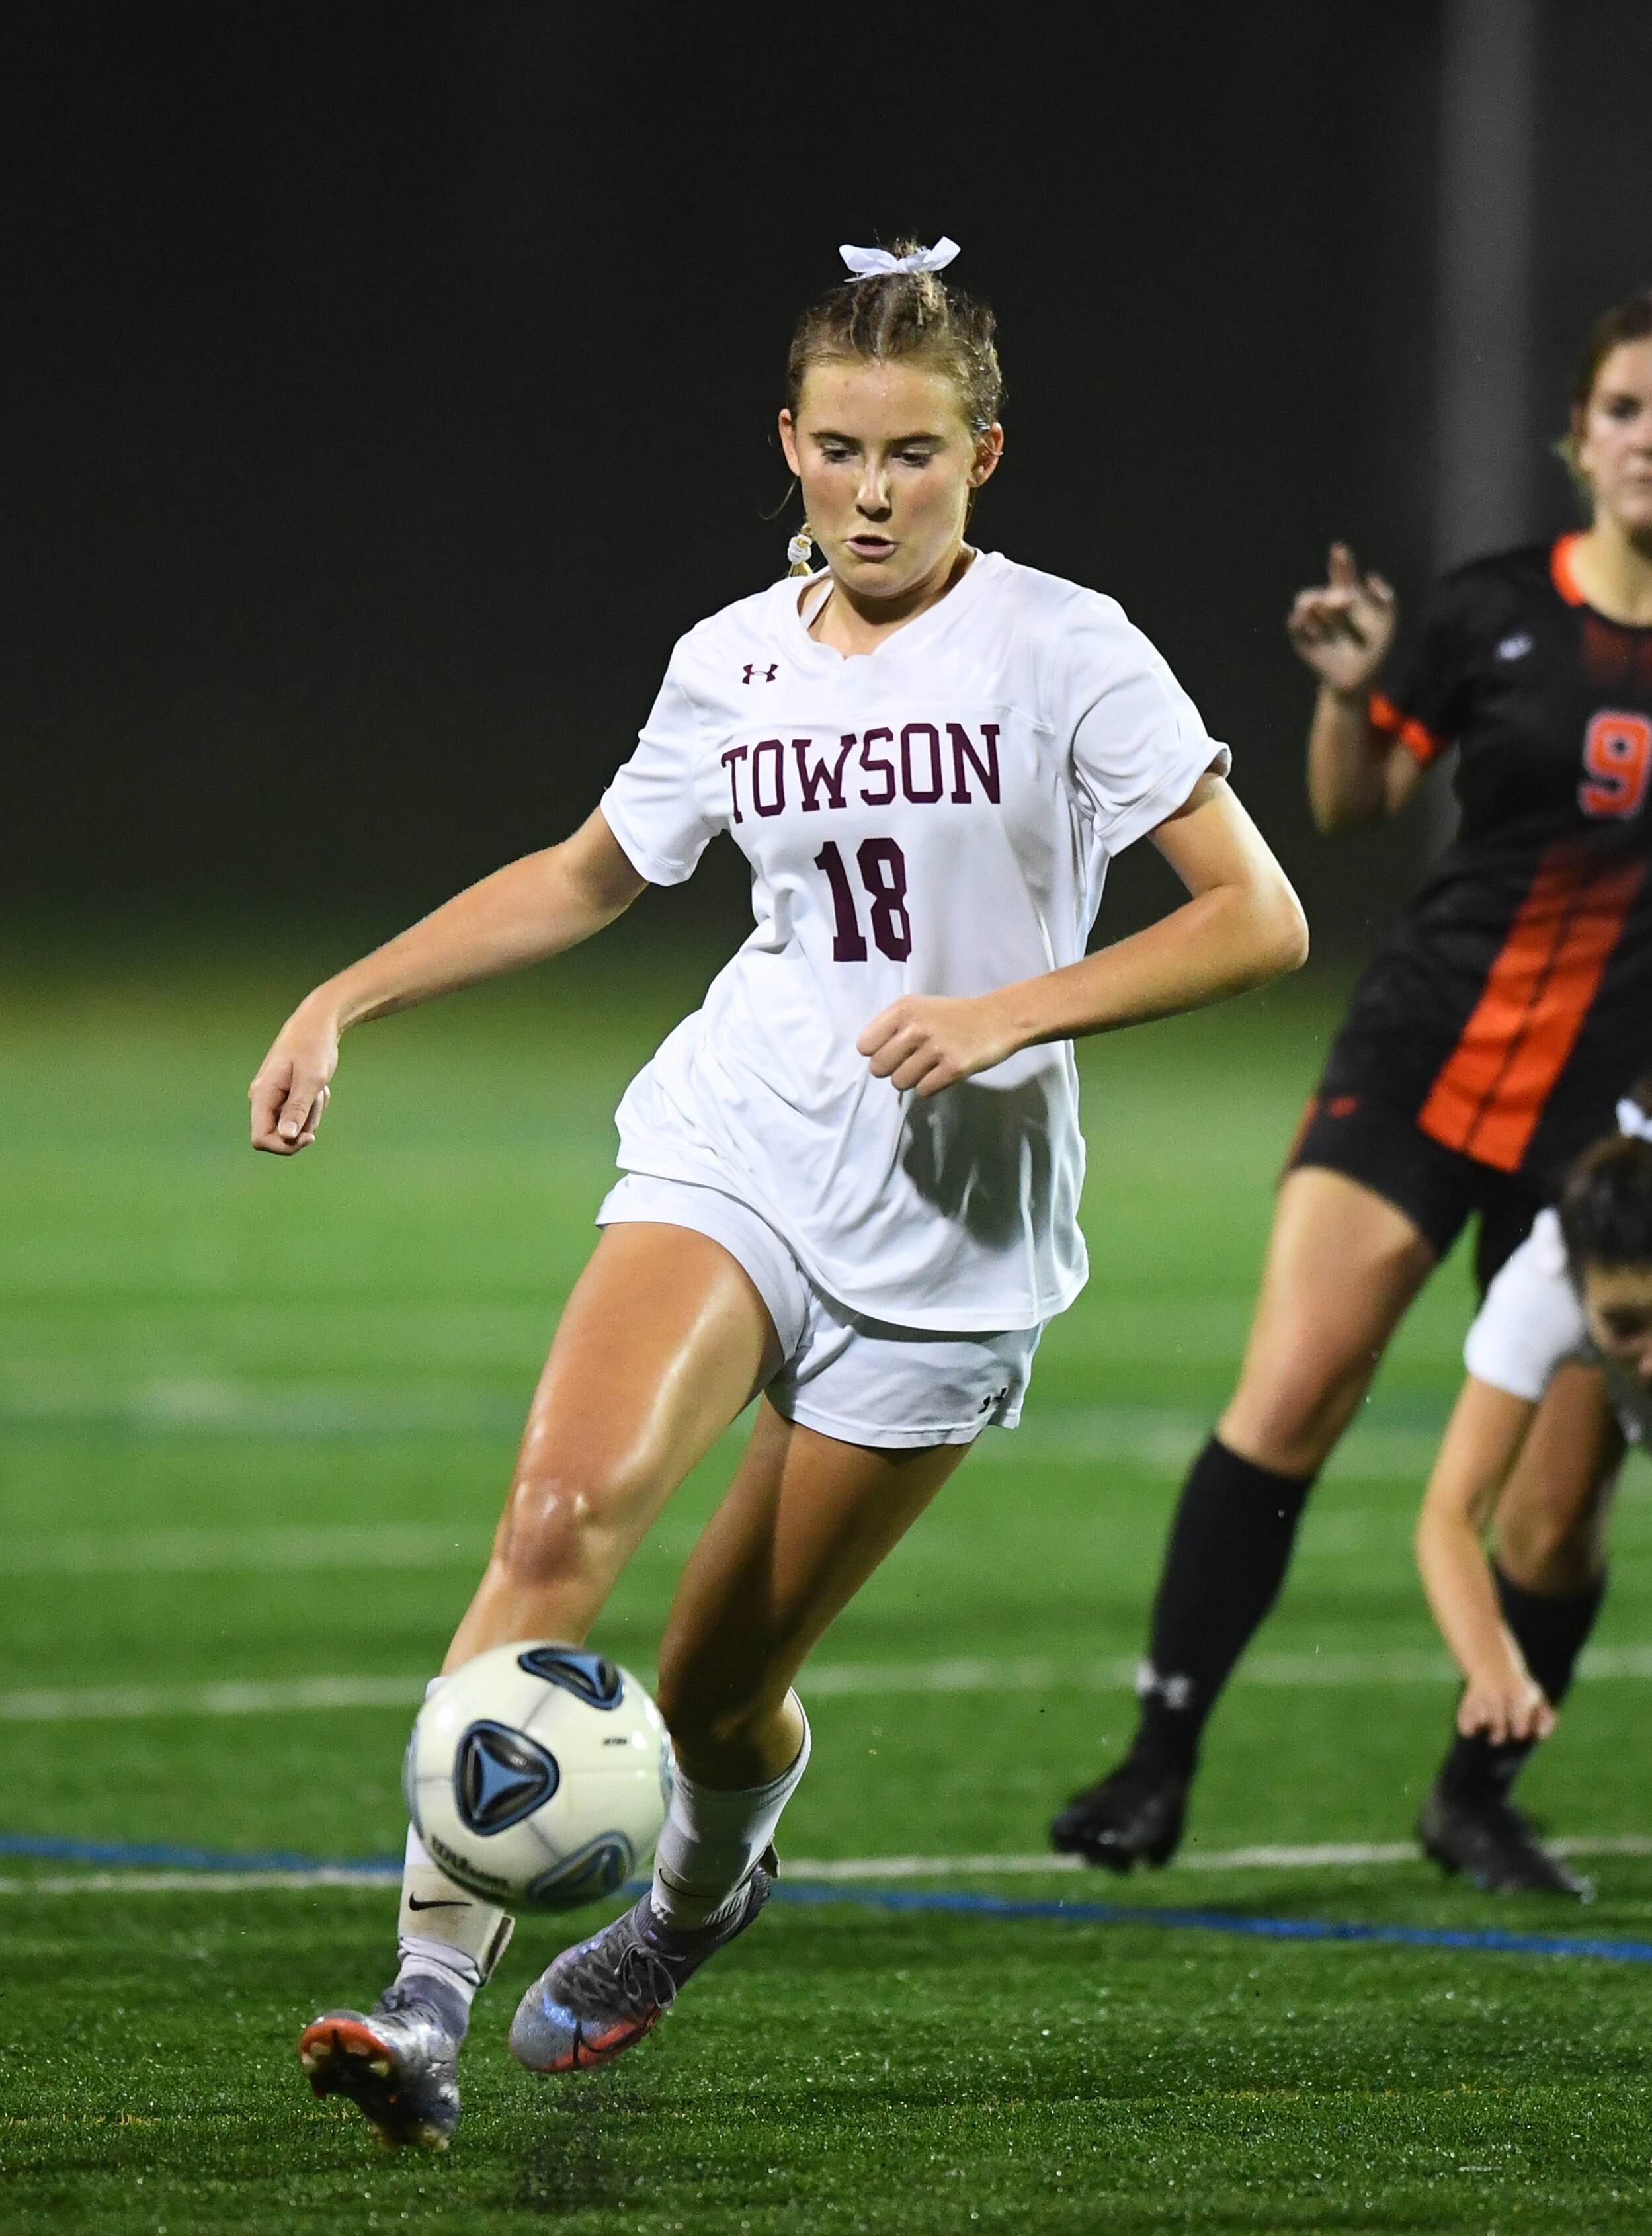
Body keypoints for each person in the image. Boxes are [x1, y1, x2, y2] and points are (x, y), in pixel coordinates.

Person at [249, 237, 1307, 2151]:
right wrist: (348, 990)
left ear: (986, 452)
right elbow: (589, 875)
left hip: (952, 1241)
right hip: (738, 1144)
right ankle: (422, 2000)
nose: (875, 492)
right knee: (556, 1519)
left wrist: (1010, 1013)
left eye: (915, 454)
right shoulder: (730, 659)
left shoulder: (1068, 646)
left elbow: (1259, 915)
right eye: (839, 451)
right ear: (791, 448)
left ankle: (690, 1897)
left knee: (716, 1689)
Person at [1052, 287, 1652, 1883]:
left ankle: (1473, 1790)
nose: (1643, 435)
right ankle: (1156, 1760)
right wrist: (1339, 687)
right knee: (1292, 1391)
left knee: (1548, 1511)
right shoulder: (1484, 610)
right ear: (1574, 435)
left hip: (1603, 1128)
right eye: (1618, 407)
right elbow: (1349, 800)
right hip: (1415, 1052)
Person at [1413, 1086, 1652, 1895]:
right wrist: (1492, 1668)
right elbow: (1450, 1514)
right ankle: (1471, 1797)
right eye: (1624, 1325)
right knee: (1547, 1529)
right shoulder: (1547, 1275)